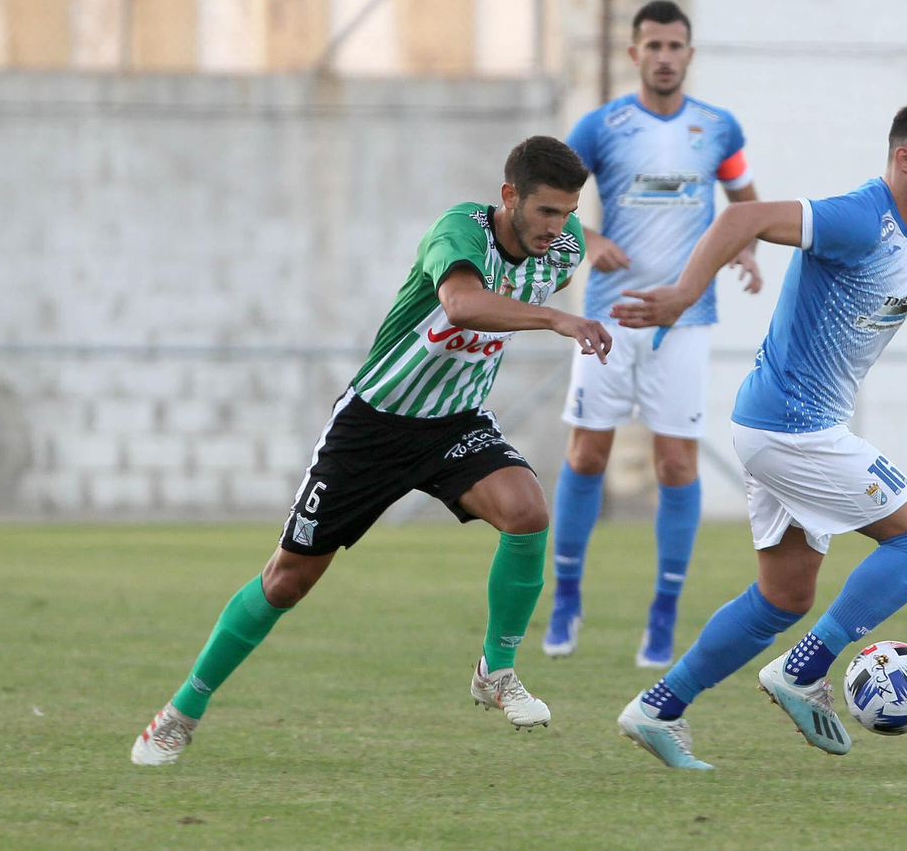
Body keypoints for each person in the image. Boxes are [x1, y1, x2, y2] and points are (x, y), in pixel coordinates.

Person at [130, 138, 613, 766]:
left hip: (453, 423)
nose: (559, 226)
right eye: (547, 211)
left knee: (527, 512)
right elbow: (461, 303)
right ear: (509, 197)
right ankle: (178, 714)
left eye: (569, 211)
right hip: (373, 428)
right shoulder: (458, 231)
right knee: (287, 581)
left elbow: (579, 240)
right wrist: (557, 321)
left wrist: (608, 249)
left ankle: (496, 669)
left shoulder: (565, 243)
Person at [609, 97, 907, 768]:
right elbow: (743, 217)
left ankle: (657, 709)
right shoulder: (857, 218)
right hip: (793, 429)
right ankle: (803, 671)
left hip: (785, 427)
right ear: (906, 158)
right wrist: (683, 292)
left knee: (784, 595)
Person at [543, 0, 765, 668]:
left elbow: (747, 205)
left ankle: (663, 616)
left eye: (676, 45)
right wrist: (591, 238)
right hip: (609, 317)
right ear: (634, 54)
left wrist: (748, 248)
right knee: (586, 456)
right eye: (653, 45)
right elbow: (552, 202)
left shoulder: (719, 129)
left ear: (689, 55)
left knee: (676, 465)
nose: (665, 56)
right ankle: (566, 600)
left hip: (685, 320)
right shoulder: (601, 126)